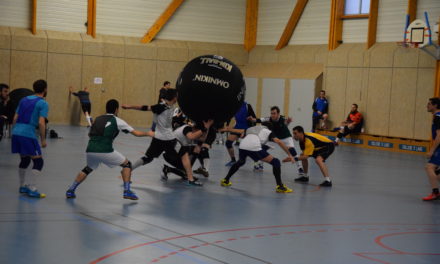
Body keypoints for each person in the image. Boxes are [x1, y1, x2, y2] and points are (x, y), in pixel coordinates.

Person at [65, 99, 153, 200]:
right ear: (116, 109)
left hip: (90, 149)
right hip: (105, 149)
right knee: (127, 164)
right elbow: (136, 133)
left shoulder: (98, 119)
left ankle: (71, 190)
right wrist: (148, 133)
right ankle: (127, 191)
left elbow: (90, 134)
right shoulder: (117, 120)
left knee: (88, 168)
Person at [123, 89, 184, 182]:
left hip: (164, 138)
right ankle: (178, 171)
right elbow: (144, 108)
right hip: (166, 139)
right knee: (178, 161)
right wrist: (130, 106)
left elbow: (146, 109)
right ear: (174, 98)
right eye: (177, 96)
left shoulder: (169, 106)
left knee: (149, 158)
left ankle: (130, 169)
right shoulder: (164, 106)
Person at [220, 124, 295, 193]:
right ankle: (280, 187)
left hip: (243, 145)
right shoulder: (268, 131)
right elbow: (279, 142)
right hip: (254, 146)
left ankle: (225, 180)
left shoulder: (252, 128)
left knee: (241, 161)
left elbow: (238, 131)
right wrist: (289, 154)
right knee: (276, 162)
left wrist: (227, 129)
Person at [11, 80, 48, 198]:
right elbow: (41, 123)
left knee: (25, 160)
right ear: (45, 89)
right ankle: (32, 188)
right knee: (38, 161)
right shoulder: (43, 103)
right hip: (28, 134)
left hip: (16, 132)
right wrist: (43, 140)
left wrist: (15, 132)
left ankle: (22, 186)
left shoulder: (24, 99)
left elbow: (15, 118)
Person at [249, 106, 305, 177]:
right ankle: (260, 163)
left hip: (286, 137)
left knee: (292, 151)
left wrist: (288, 122)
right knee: (262, 149)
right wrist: (252, 119)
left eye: (274, 113)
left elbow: (285, 124)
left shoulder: (283, 118)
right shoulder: (269, 118)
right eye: (271, 113)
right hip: (275, 138)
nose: (272, 115)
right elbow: (258, 120)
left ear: (278, 114)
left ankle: (300, 168)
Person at [162, 120, 214, 185]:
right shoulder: (187, 128)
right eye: (200, 133)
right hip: (169, 153)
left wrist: (207, 129)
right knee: (186, 166)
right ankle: (188, 176)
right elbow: (191, 136)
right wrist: (205, 128)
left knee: (198, 148)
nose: (200, 135)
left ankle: (168, 169)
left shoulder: (194, 132)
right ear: (195, 129)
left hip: (177, 151)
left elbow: (202, 140)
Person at [225, 102, 256, 167]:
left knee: (252, 147)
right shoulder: (234, 106)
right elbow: (229, 116)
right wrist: (227, 125)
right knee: (228, 143)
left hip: (246, 129)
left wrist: (251, 128)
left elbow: (254, 118)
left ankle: (257, 163)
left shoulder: (247, 106)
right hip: (237, 128)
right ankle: (233, 160)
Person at [422, 97, 440, 201]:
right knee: (437, 173)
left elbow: (439, 135)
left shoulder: (438, 117)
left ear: (435, 105)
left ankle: (435, 193)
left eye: (429, 104)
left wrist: (432, 150)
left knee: (429, 167)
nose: (427, 106)